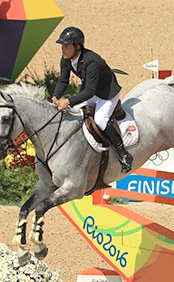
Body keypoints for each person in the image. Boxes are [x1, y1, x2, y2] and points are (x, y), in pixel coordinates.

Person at [51, 26, 133, 173]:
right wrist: (56, 95)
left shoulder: (92, 61)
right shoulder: (66, 59)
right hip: (91, 89)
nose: (62, 49)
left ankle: (124, 154)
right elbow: (63, 80)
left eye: (66, 46)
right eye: (62, 45)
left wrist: (68, 101)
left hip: (107, 92)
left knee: (101, 120)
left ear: (77, 46)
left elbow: (90, 91)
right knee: (74, 114)